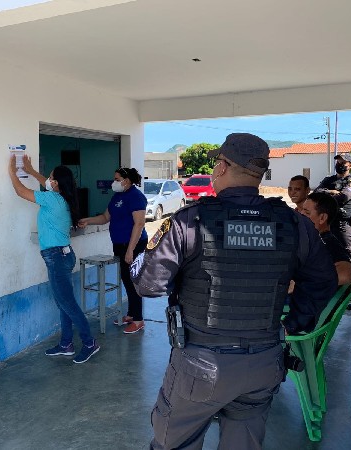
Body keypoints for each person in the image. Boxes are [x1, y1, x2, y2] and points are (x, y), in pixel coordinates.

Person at [130, 133, 338, 450]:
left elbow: (148, 284)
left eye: (216, 163)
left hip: (201, 365)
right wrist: (293, 324)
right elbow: (323, 281)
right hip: (264, 362)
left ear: (223, 166)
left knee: (173, 443)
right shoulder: (294, 224)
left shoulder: (191, 220)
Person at [9, 155, 100, 364]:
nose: (47, 181)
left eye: (51, 178)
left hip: (57, 257)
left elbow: (21, 192)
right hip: (63, 255)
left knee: (68, 304)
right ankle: (66, 344)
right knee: (63, 303)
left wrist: (12, 172)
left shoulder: (51, 199)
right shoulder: (64, 198)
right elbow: (47, 184)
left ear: (57, 183)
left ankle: (89, 343)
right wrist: (31, 171)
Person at [78, 167, 148, 334]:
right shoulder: (117, 196)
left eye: (117, 179)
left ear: (127, 181)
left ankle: (138, 320)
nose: (113, 182)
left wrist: (130, 250)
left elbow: (139, 224)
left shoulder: (136, 197)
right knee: (126, 279)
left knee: (133, 281)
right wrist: (87, 220)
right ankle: (131, 314)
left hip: (133, 244)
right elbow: (105, 218)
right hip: (119, 244)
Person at [315, 153, 351, 309]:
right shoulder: (329, 180)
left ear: (350, 165)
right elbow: (316, 194)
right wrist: (331, 192)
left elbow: (343, 197)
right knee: (328, 257)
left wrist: (328, 195)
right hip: (328, 225)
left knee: (350, 259)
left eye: (344, 162)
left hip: (344, 226)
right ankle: (333, 291)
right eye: (338, 161)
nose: (340, 164)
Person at [301, 192, 351, 285]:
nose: (301, 215)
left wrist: (301, 282)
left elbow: (345, 275)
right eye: (302, 211)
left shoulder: (328, 243)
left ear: (322, 218)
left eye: (307, 213)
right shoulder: (312, 239)